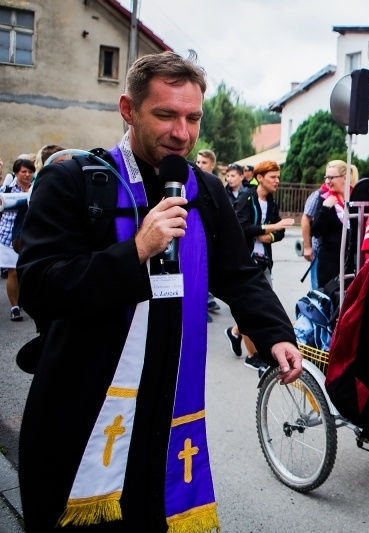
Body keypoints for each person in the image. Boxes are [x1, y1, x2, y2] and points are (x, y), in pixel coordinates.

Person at [16, 51, 302, 532]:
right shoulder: (73, 182)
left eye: (193, 118)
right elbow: (40, 286)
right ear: (128, 110)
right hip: (85, 405)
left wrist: (275, 333)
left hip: (169, 407)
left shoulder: (205, 191)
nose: (182, 133)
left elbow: (238, 272)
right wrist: (136, 250)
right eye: (165, 115)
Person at [226, 160, 295, 370]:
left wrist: (270, 236)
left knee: (264, 304)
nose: (277, 181)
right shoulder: (247, 197)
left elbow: (281, 232)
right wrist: (271, 227)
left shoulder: (272, 202)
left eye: (278, 177)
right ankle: (252, 355)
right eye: (273, 177)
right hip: (246, 260)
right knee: (250, 307)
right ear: (260, 178)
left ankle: (235, 332)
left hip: (264, 261)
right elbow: (241, 227)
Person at [310, 160, 357, 289]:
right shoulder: (325, 198)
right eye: (326, 177)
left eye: (331, 177)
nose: (327, 181)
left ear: (344, 178)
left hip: (350, 263)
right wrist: (324, 209)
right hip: (329, 264)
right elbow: (315, 231)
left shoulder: (355, 198)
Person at [0, 158, 34, 321]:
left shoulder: (37, 188)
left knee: (26, 271)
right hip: (8, 236)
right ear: (16, 173)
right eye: (24, 172)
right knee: (13, 272)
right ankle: (15, 307)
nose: (27, 175)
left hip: (30, 235)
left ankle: (25, 300)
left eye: (30, 171)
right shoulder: (6, 189)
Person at [194, 149, 222, 317]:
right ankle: (201, 306)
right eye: (197, 162)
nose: (199, 165)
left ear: (212, 165)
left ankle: (207, 301)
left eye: (203, 163)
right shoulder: (189, 183)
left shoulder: (216, 186)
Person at [300, 186, 322, 289]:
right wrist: (307, 247)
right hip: (319, 247)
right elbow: (305, 219)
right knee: (317, 287)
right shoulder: (318, 195)